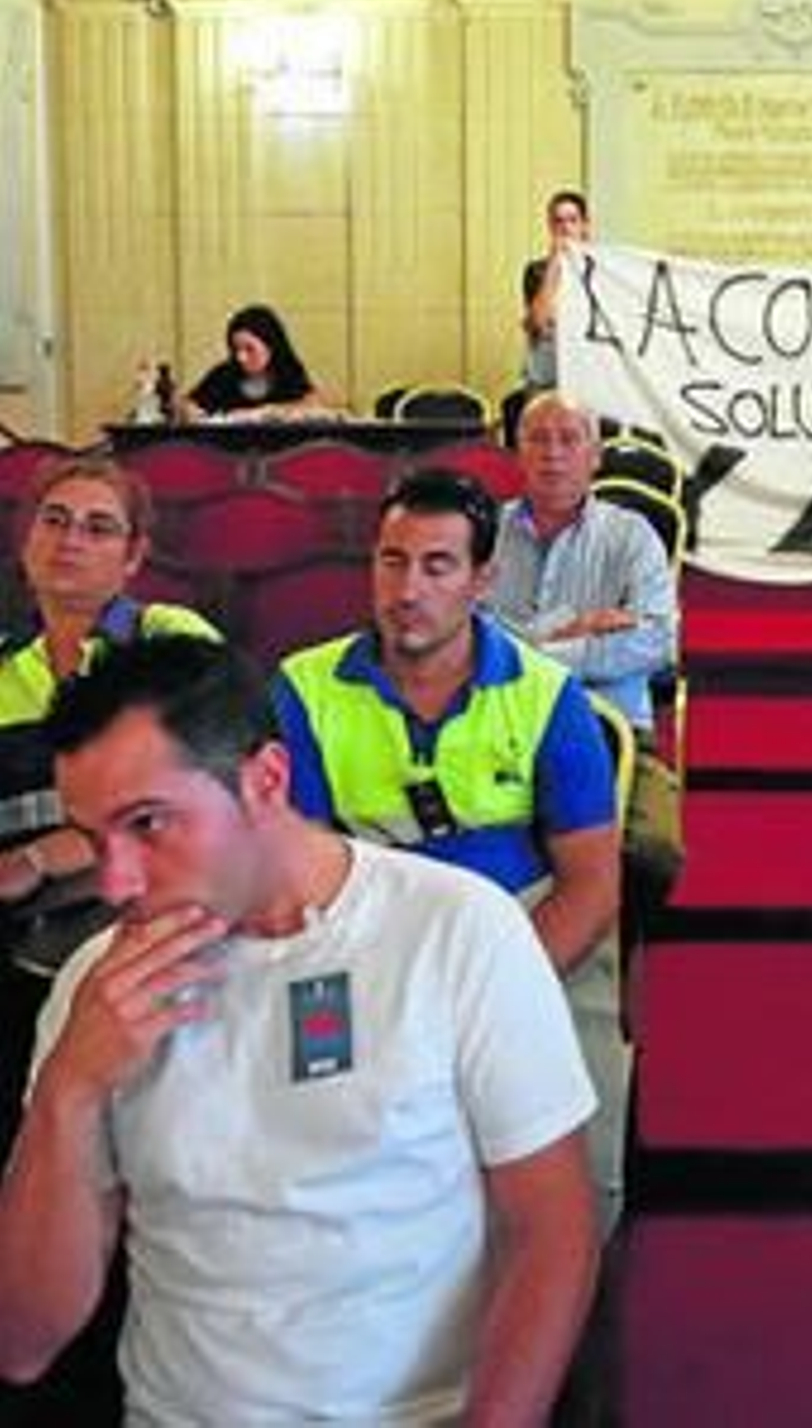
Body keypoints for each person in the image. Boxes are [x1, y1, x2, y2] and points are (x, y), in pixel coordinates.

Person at [0, 635, 598, 1422]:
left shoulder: (456, 930)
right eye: (93, 838)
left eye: (148, 824)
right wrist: (67, 1095)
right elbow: (24, 1342)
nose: (116, 882)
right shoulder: (96, 992)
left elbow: (553, 1236)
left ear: (265, 781)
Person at [272, 467, 629, 1236]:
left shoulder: (548, 696)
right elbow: (292, 868)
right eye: (392, 561)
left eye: (438, 566)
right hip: (355, 927)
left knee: (571, 1184)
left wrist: (485, 993)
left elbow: (593, 888)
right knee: (307, 1131)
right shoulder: (302, 689)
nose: (408, 589)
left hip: (526, 932)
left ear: (482, 580)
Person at [0, 456, 218, 905]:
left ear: (133, 557)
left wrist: (40, 858)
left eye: (98, 528)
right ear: (26, 542)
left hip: (152, 890)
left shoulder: (166, 636)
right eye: (54, 521)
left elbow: (211, 785)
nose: (69, 540)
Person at [489, 391, 678, 737]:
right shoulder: (484, 534)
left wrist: (531, 652)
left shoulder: (632, 536)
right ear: (517, 453)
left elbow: (658, 641)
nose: (553, 453)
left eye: (569, 438)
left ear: (595, 457)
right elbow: (462, 638)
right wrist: (581, 632)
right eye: (538, 439)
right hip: (499, 724)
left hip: (609, 726)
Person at [183, 302, 328, 421]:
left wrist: (267, 412)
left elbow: (315, 405)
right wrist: (189, 411)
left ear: (271, 346)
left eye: (249, 349)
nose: (241, 357)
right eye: (236, 349)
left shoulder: (288, 372)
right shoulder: (224, 373)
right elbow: (187, 403)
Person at [522, 189, 592, 393]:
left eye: (572, 220)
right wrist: (555, 263)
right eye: (558, 221)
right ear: (550, 226)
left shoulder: (600, 272)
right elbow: (537, 324)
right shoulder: (536, 270)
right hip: (547, 379)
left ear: (585, 225)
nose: (565, 228)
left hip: (589, 380)